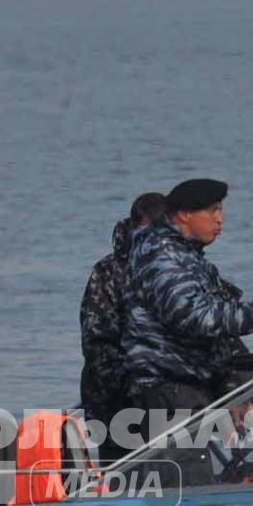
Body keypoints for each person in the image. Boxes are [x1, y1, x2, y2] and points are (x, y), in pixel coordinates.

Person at [121, 177, 253, 450]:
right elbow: (192, 317)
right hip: (170, 387)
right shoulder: (162, 255)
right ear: (184, 215)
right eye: (213, 211)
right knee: (189, 478)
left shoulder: (185, 255)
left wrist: (230, 383)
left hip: (190, 383)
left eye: (221, 211)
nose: (220, 220)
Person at [79, 192, 166, 461]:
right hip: (117, 403)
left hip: (166, 399)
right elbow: (97, 345)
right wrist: (137, 388)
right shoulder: (109, 272)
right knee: (124, 477)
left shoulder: (172, 269)